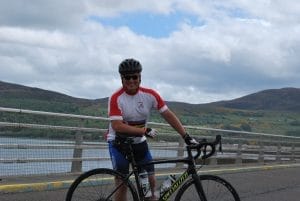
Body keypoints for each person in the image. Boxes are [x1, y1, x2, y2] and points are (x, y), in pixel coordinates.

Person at [107, 58, 198, 201]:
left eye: (135, 77)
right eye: (127, 77)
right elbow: (117, 126)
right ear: (121, 78)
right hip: (118, 143)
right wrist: (144, 130)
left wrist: (186, 136)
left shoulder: (150, 95)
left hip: (138, 142)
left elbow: (168, 115)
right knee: (122, 183)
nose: (131, 80)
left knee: (151, 181)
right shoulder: (116, 98)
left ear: (140, 77)